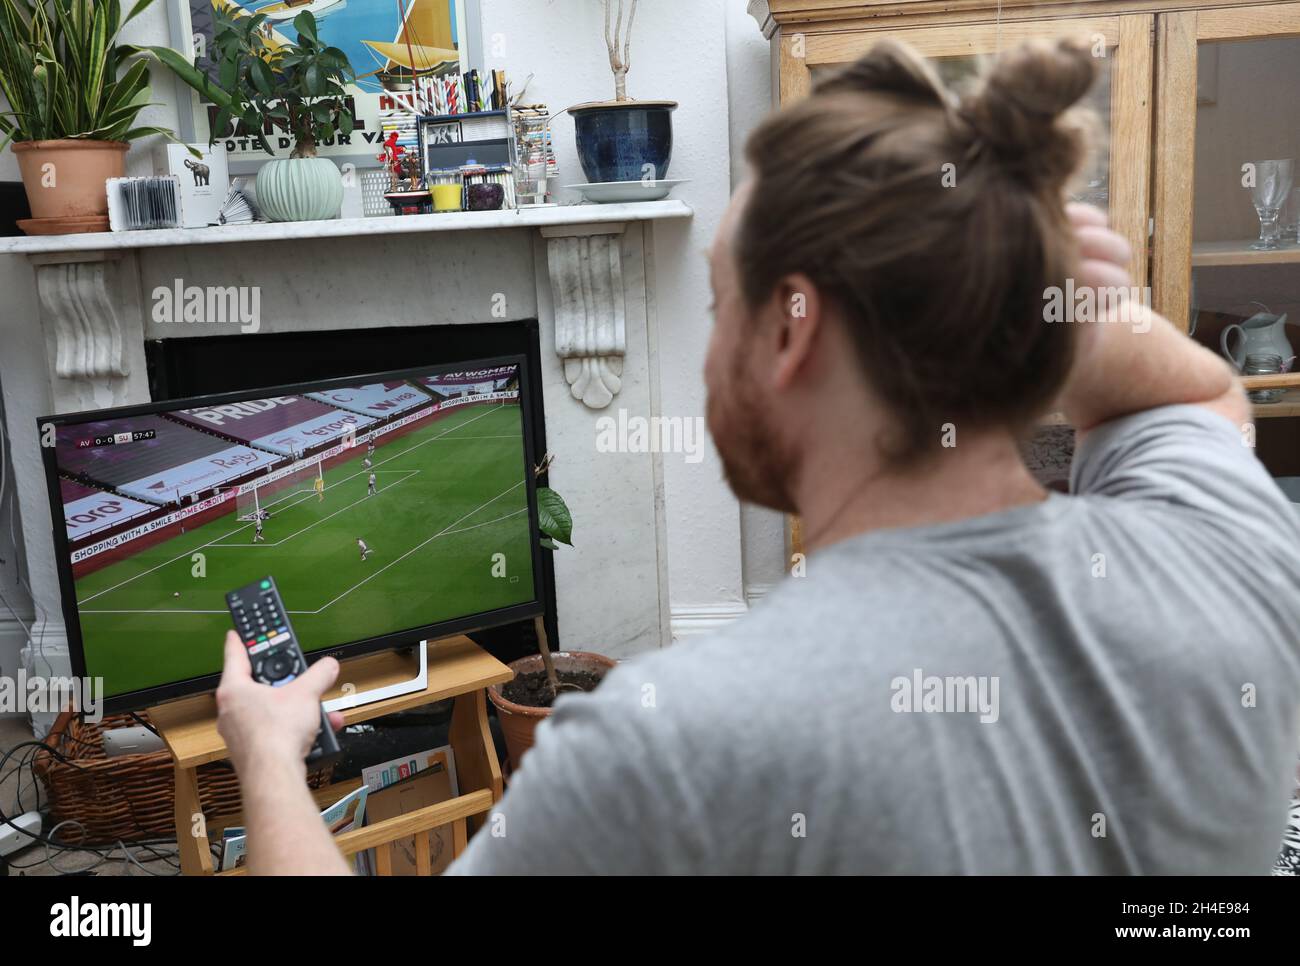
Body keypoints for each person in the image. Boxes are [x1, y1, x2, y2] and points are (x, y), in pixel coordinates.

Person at [211, 39, 1300, 875]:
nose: (707, 352)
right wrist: (1031, 289)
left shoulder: (663, 750)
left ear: (790, 330)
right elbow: (1203, 390)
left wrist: (265, 749)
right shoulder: (1230, 554)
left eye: (716, 306)